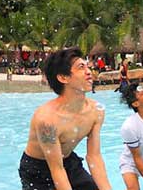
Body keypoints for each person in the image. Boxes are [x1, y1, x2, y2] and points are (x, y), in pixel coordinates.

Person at [19, 47, 112, 190]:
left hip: (67, 161)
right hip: (37, 170)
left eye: (87, 66)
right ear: (63, 77)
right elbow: (57, 170)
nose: (89, 72)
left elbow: (94, 157)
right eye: (81, 68)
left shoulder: (96, 111)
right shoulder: (47, 120)